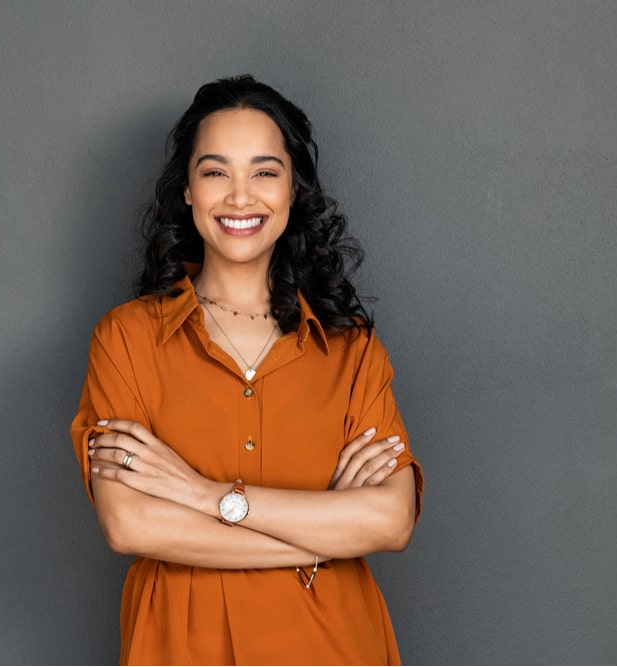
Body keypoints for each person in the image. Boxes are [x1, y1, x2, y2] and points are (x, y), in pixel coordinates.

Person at [70, 75, 423, 665]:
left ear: (292, 190)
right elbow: (130, 525)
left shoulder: (352, 350)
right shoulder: (126, 339)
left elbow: (390, 520)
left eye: (264, 171)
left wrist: (200, 494)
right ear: (186, 189)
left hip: (334, 647)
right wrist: (317, 540)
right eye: (215, 172)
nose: (240, 197)